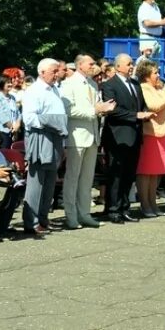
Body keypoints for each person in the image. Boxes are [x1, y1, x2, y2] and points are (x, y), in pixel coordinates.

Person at [60, 54, 111, 229]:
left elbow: (95, 108)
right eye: (90, 63)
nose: (93, 66)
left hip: (92, 135)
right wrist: (94, 110)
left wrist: (103, 109)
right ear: (80, 65)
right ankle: (71, 215)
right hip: (77, 136)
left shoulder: (93, 84)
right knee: (72, 177)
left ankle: (84, 213)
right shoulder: (68, 84)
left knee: (87, 179)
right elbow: (69, 110)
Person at [101, 54, 151, 224]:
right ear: (118, 66)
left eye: (132, 63)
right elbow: (113, 111)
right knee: (116, 174)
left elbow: (141, 105)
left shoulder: (135, 84)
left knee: (129, 174)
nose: (131, 66)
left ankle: (124, 207)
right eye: (129, 64)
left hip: (135, 135)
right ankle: (113, 209)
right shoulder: (109, 85)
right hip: (118, 136)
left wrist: (143, 114)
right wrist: (136, 115)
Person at [21, 58, 68, 235]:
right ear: (42, 72)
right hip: (41, 137)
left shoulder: (55, 90)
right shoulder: (34, 91)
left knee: (50, 181)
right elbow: (29, 118)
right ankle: (31, 222)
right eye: (54, 71)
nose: (57, 75)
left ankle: (43, 218)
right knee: (37, 182)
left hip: (55, 138)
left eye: (58, 71)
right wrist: (51, 121)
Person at [135, 60, 165, 218]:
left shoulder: (157, 88)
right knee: (146, 171)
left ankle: (152, 202)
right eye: (155, 73)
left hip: (163, 132)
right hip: (151, 132)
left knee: (156, 172)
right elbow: (154, 105)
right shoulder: (144, 88)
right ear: (146, 76)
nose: (158, 75)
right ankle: (145, 204)